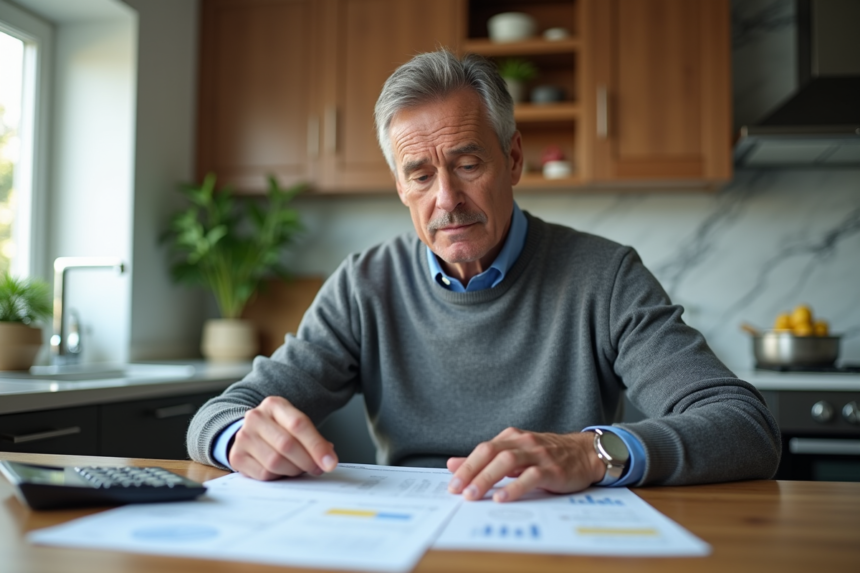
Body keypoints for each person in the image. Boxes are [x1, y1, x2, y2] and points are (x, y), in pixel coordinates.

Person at [187, 49, 780, 503]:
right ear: (400, 186)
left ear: (513, 159)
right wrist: (238, 436)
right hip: (404, 532)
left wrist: (593, 451)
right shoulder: (364, 285)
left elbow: (746, 427)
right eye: (420, 175)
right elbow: (218, 415)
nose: (448, 199)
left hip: (556, 536)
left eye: (468, 164)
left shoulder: (605, 276)